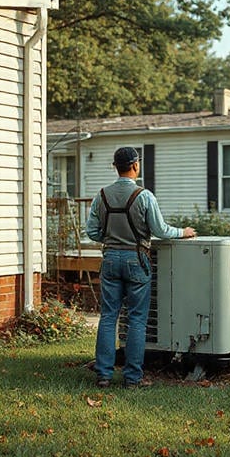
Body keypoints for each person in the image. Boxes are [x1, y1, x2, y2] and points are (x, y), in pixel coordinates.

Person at [86, 146, 196, 388]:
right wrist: (184, 232)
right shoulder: (144, 196)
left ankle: (103, 375)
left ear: (115, 167)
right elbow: (161, 230)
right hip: (137, 260)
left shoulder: (101, 196)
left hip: (111, 260)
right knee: (136, 319)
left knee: (108, 317)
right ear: (135, 165)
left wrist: (111, 239)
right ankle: (132, 378)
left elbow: (91, 231)